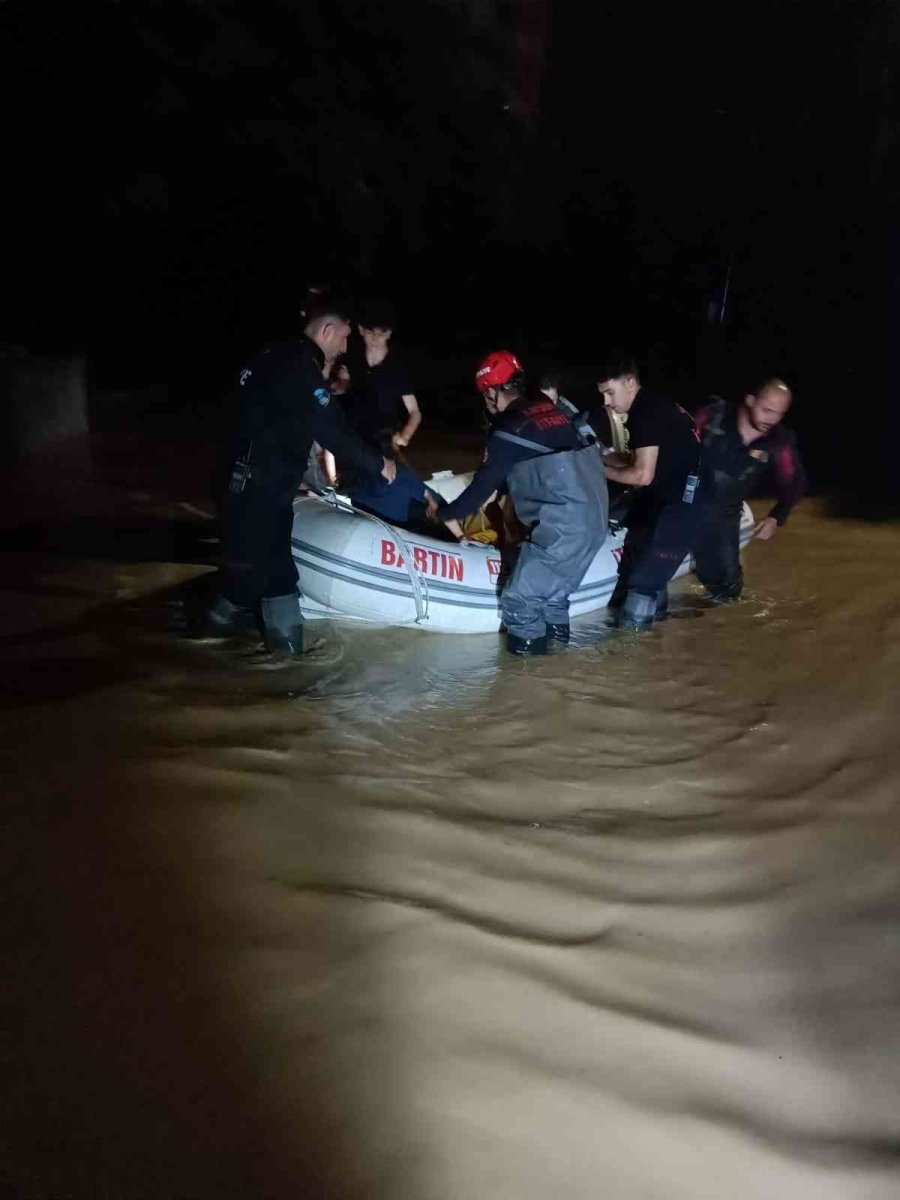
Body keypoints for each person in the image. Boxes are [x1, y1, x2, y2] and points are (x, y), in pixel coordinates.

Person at [201, 297, 396, 655]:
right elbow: (332, 431)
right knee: (278, 576)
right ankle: (288, 667)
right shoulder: (300, 368)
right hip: (260, 486)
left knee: (247, 570)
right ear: (327, 330)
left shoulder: (270, 357)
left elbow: (270, 422)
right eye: (344, 338)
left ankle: (204, 639)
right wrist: (380, 464)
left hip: (241, 479)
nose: (344, 347)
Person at [430, 350, 608, 655]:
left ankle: (527, 689)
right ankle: (558, 668)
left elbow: (478, 493)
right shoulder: (550, 411)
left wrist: (442, 513)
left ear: (491, 392)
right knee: (552, 599)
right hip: (595, 521)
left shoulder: (508, 428)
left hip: (565, 530)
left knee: (520, 602)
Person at [598, 354, 704, 629]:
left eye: (610, 392)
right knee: (648, 572)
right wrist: (598, 457)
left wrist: (598, 471)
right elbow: (642, 458)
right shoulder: (656, 406)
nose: (606, 402)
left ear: (630, 383)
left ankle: (629, 654)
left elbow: (641, 475)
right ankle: (654, 642)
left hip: (684, 507)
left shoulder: (645, 414)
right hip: (673, 499)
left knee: (644, 583)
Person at [692, 379, 805, 601]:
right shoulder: (713, 416)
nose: (770, 419)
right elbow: (672, 443)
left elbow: (795, 483)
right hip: (682, 499)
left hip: (724, 514)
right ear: (750, 400)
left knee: (729, 593)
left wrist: (775, 518)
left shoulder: (778, 442)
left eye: (778, 414)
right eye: (766, 410)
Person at [341, 299, 421, 454]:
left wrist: (405, 435)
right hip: (354, 435)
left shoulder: (398, 367)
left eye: (381, 334)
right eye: (370, 333)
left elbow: (415, 412)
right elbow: (342, 384)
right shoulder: (352, 357)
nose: (375, 339)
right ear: (361, 330)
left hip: (384, 438)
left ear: (389, 333)